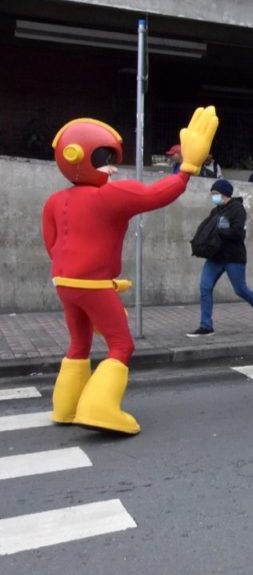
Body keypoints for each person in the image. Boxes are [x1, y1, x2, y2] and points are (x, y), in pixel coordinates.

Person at [42, 107, 219, 435]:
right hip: (92, 286)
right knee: (121, 345)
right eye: (105, 158)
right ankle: (99, 409)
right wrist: (188, 169)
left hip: (65, 284)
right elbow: (158, 194)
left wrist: (96, 276)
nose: (112, 167)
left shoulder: (55, 200)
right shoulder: (110, 195)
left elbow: (52, 245)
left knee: (78, 343)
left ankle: (65, 407)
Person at [188, 179, 253, 338]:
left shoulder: (237, 209)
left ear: (224, 193)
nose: (213, 197)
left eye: (215, 194)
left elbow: (239, 234)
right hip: (215, 256)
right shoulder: (216, 210)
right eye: (212, 194)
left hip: (233, 257)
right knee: (205, 287)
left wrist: (221, 230)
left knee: (240, 290)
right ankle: (206, 326)